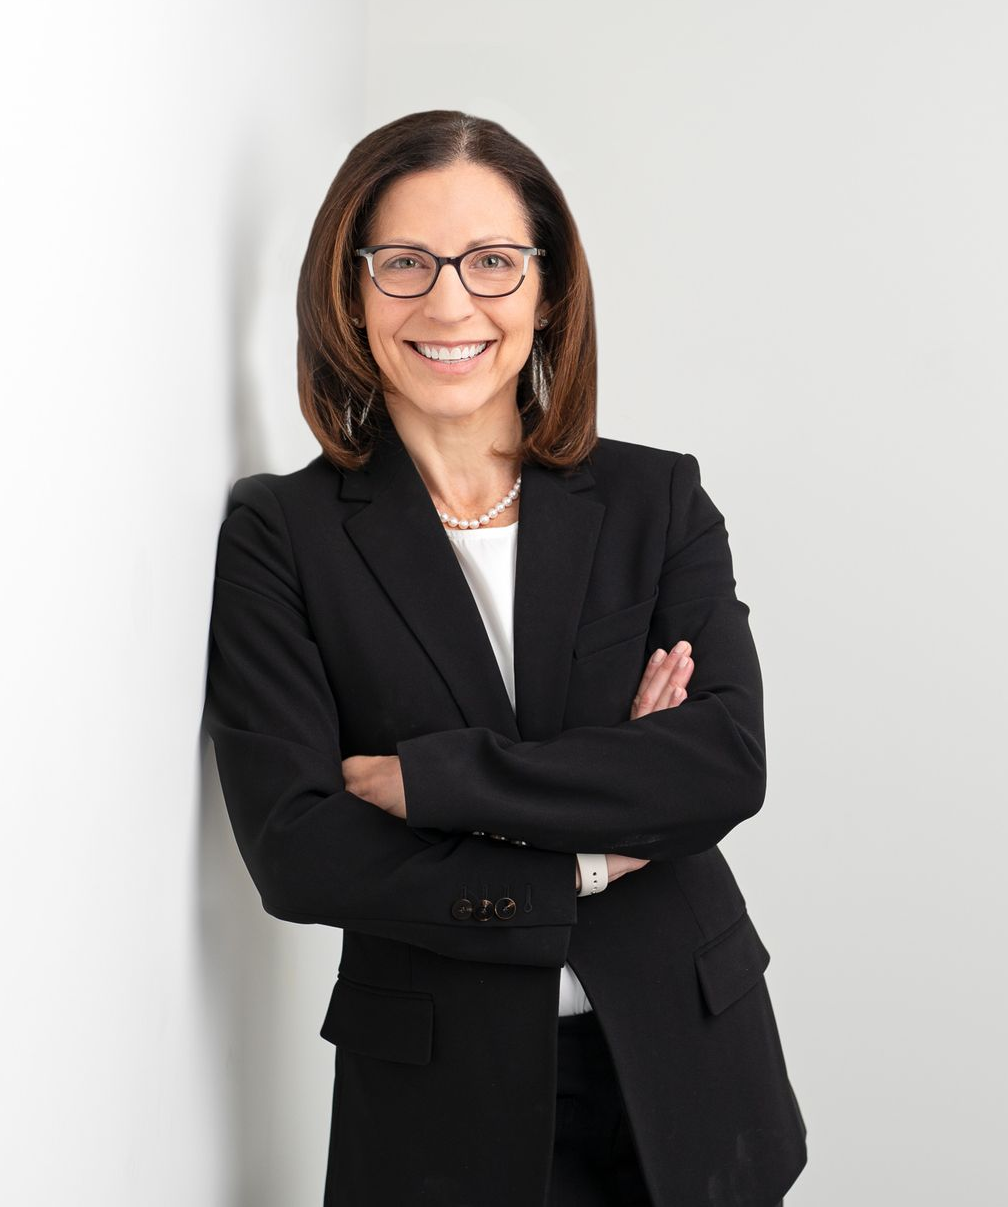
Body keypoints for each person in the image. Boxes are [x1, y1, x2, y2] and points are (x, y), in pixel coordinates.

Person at [202, 110, 806, 1206]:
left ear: (547, 289)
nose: (449, 304)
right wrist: (587, 850)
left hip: (687, 1072)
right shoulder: (281, 534)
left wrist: (435, 781)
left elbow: (722, 761)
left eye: (491, 262)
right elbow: (298, 851)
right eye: (405, 263)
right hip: (441, 1108)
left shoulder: (656, 500)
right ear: (349, 290)